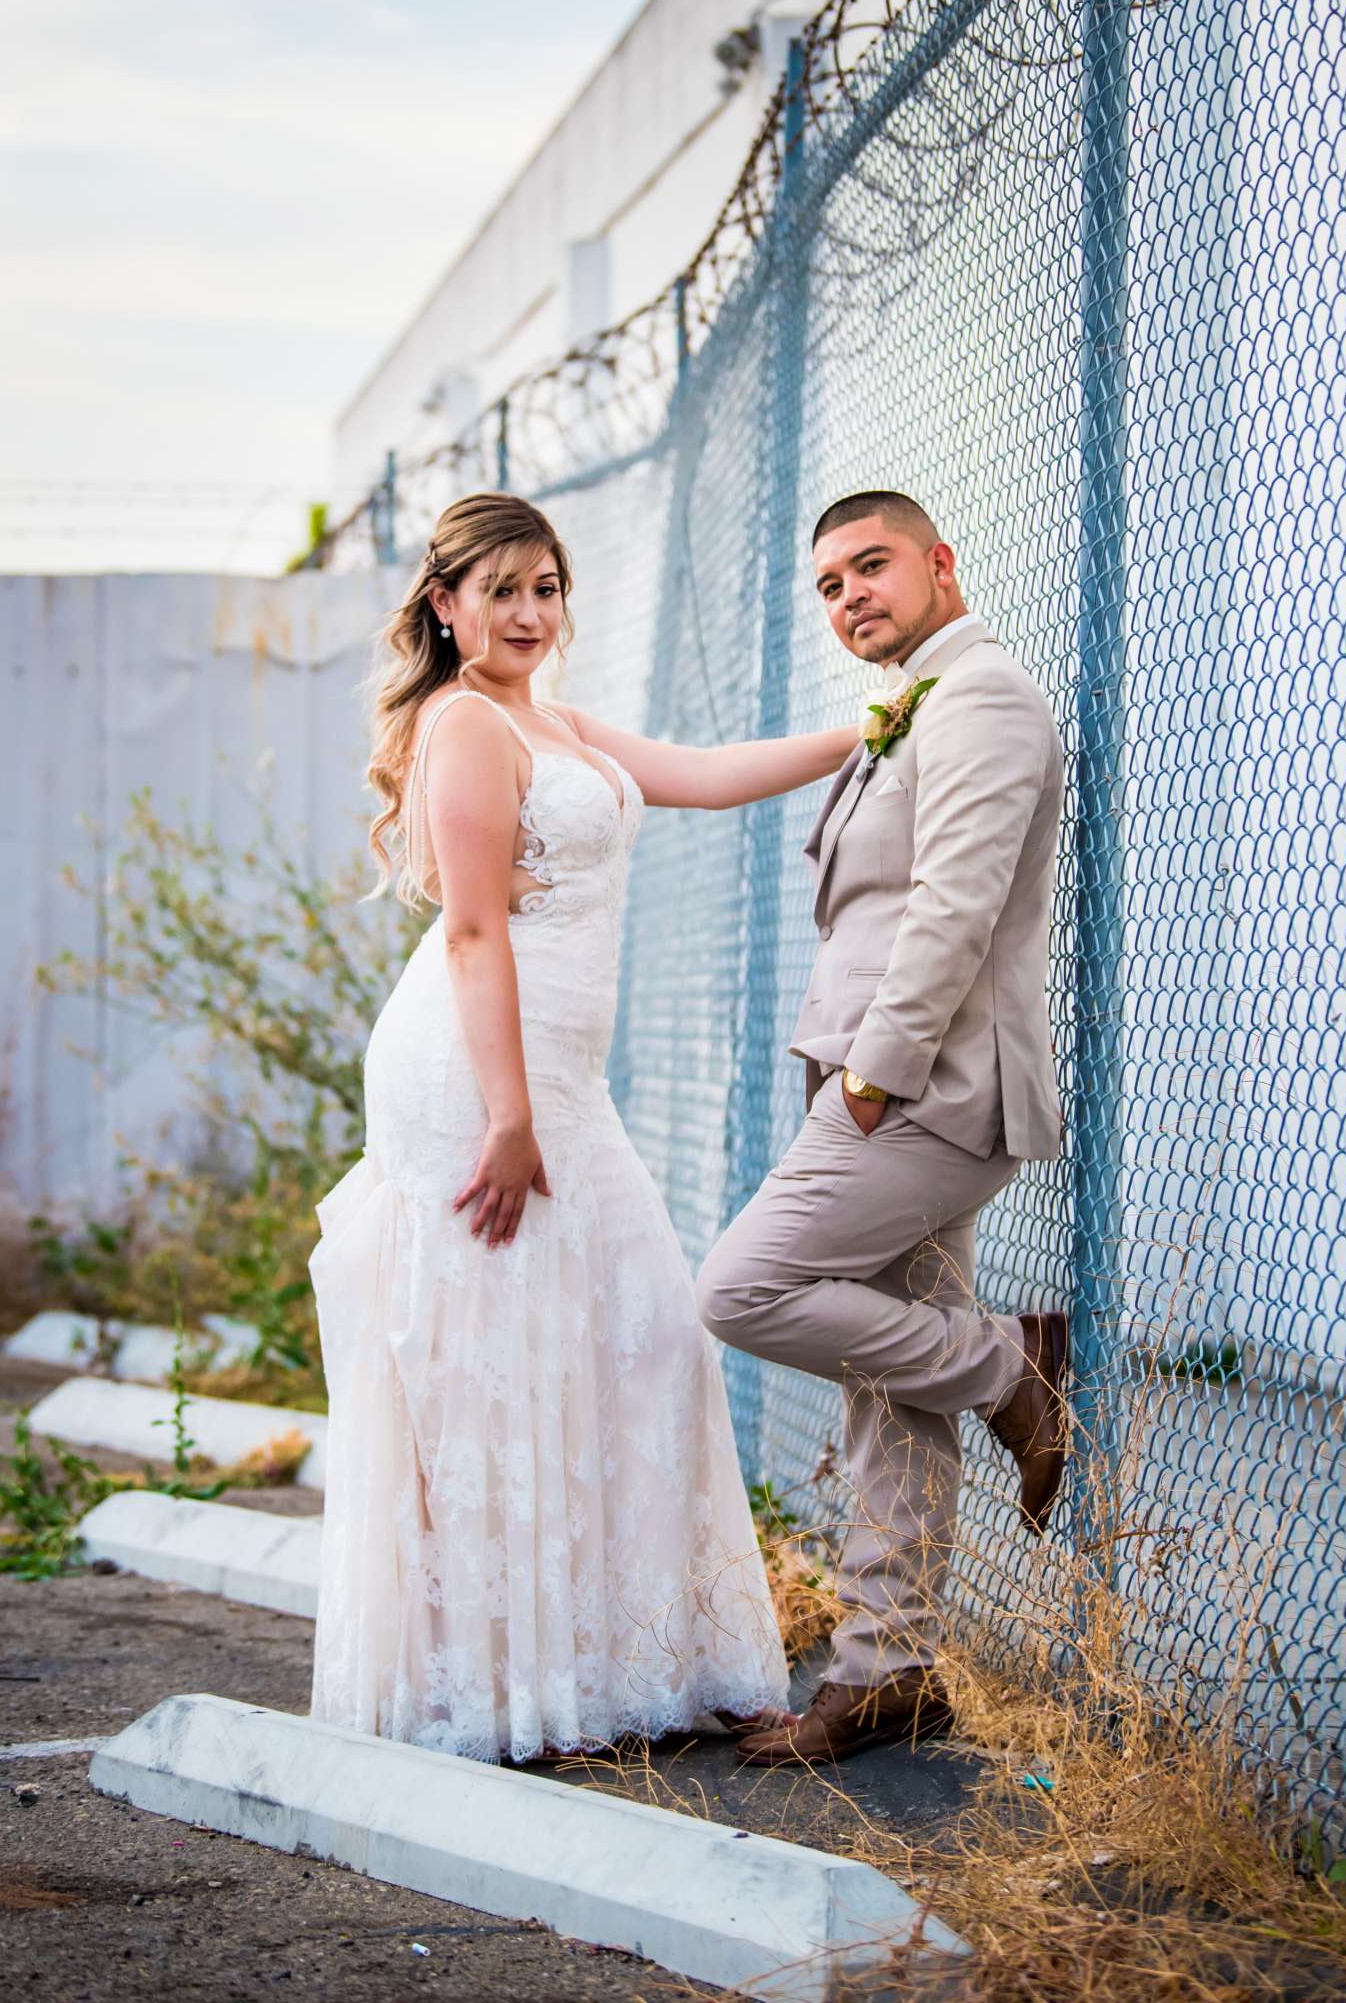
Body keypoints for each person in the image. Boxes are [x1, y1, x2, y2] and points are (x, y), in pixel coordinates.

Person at [308, 489, 855, 1765]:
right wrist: (507, 1117)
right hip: (477, 1077)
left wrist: (870, 728)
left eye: (545, 588)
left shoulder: (549, 720)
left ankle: (647, 1662)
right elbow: (472, 926)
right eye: (500, 591)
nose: (528, 614)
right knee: (496, 1365)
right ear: (445, 606)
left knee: (646, 1336)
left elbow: (710, 779)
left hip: (565, 1080)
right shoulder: (462, 727)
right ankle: (515, 1690)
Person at [696, 489, 1068, 1767]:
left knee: (743, 1286)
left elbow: (955, 908)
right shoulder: (906, 706)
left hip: (926, 1086)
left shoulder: (983, 698)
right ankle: (889, 1673)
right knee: (886, 1379)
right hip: (882, 1079)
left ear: (939, 562)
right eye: (831, 585)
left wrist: (869, 1078)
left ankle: (1012, 1366)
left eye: (872, 567)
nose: (851, 595)